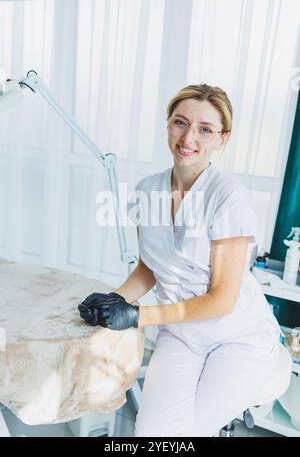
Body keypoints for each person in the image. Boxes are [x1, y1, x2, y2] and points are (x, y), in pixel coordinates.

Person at [78, 84, 281, 437]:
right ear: (167, 125)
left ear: (222, 139)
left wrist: (139, 316)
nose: (189, 137)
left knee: (188, 435)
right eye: (180, 122)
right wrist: (116, 298)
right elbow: (149, 267)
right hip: (181, 335)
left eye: (205, 129)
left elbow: (222, 299)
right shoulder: (146, 190)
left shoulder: (227, 196)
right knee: (151, 434)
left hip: (237, 336)